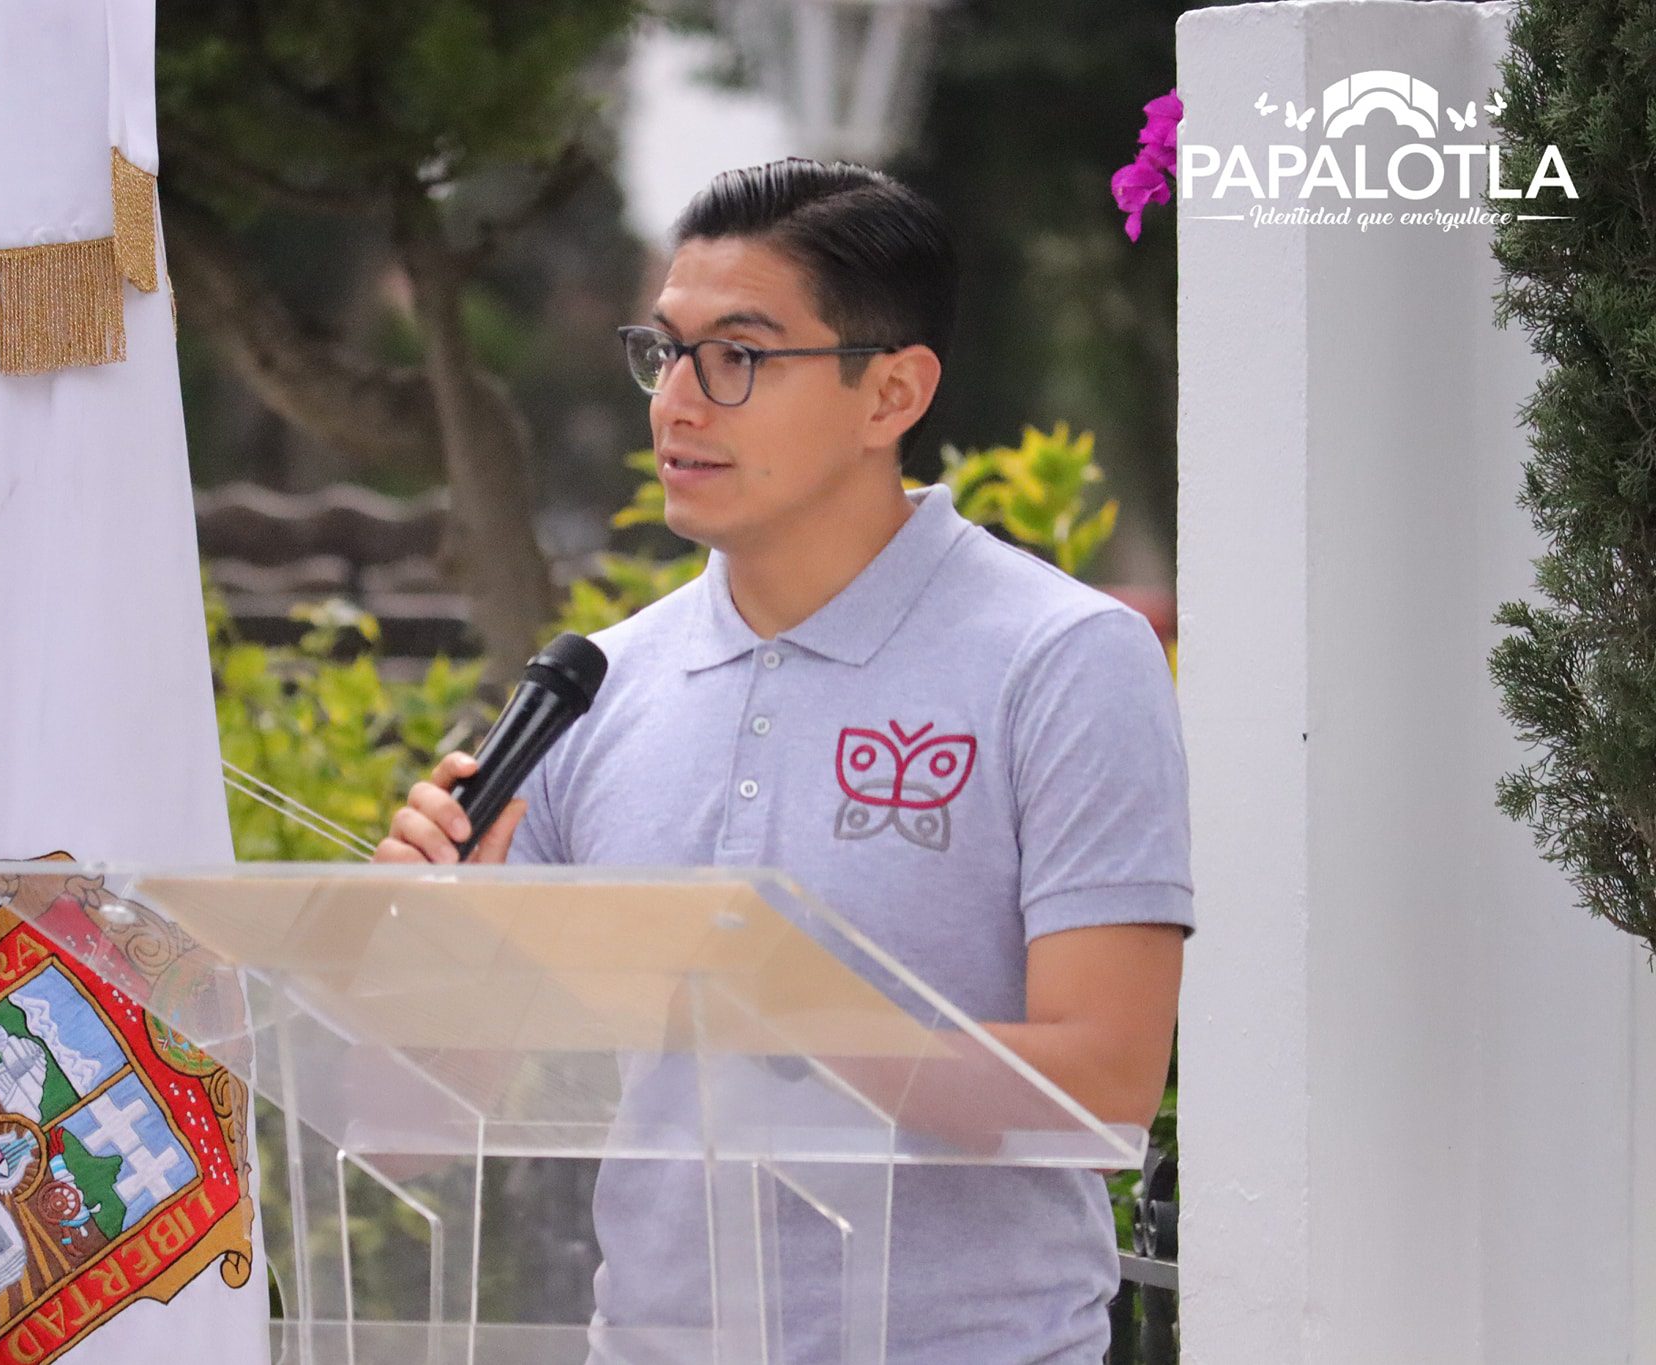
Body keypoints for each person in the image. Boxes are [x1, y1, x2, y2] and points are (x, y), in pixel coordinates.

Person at [375, 157, 1190, 1364]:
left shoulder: (1062, 658)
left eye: (739, 357)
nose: (677, 404)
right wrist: (430, 929)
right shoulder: (595, 688)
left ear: (891, 393)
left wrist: (780, 1025)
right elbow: (402, 1132)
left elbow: (1105, 1084)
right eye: (665, 350)